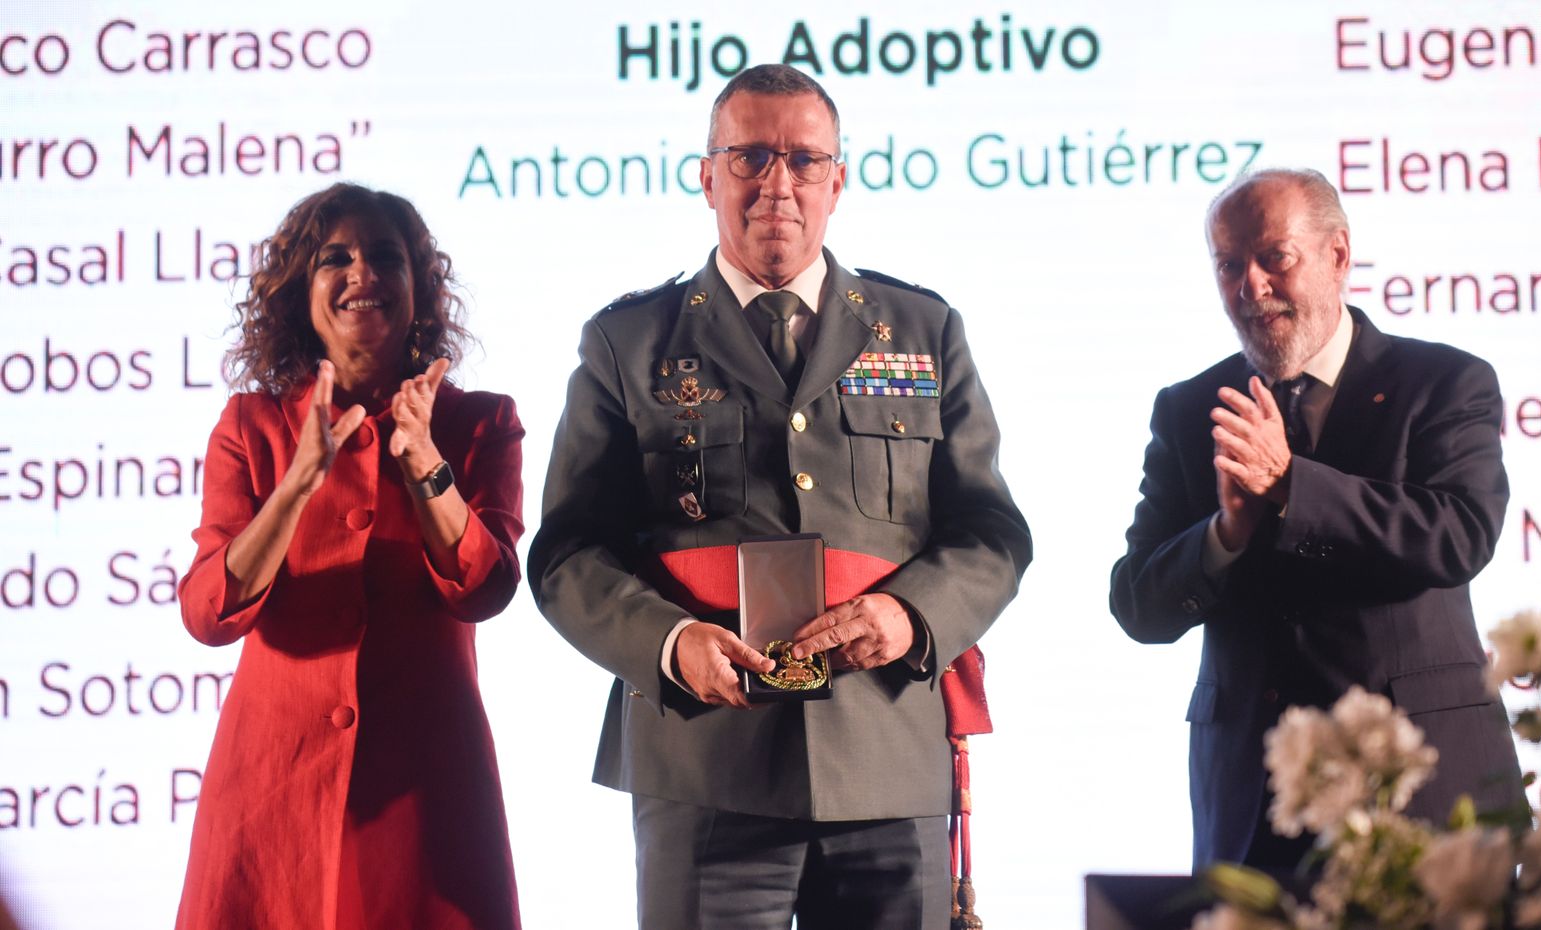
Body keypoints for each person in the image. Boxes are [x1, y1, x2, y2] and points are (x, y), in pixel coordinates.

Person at [527, 64, 1030, 929]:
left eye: (803, 161)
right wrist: (671, 641)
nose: (777, 185)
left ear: (839, 180)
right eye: (749, 156)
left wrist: (910, 616)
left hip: (884, 751)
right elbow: (567, 554)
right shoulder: (629, 341)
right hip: (704, 762)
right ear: (706, 173)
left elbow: (992, 532)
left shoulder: (923, 330)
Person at [1109, 168, 1524, 870]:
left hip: (1424, 794)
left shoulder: (1446, 383)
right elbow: (1139, 607)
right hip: (1256, 808)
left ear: (1337, 256)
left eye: (1275, 258)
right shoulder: (1188, 408)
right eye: (1229, 265)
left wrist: (1290, 484)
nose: (1251, 285)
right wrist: (1225, 537)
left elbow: (1459, 535)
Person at [175, 183, 524, 928]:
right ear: (301, 293)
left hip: (425, 795)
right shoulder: (252, 425)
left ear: (418, 290)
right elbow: (209, 613)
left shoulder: (479, 421)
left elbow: (485, 588)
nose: (362, 272)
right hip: (274, 791)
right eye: (336, 258)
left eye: (386, 258)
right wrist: (298, 482)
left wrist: (425, 460)